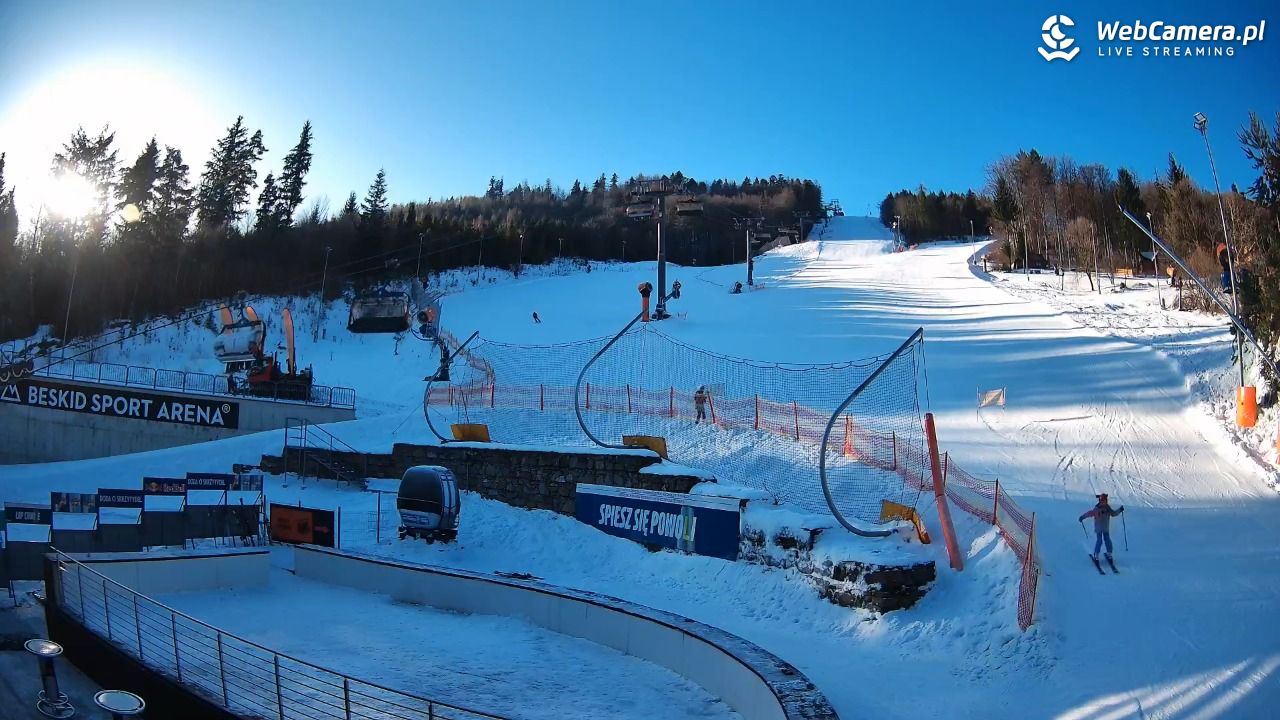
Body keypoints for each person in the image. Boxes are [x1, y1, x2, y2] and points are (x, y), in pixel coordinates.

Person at [1079, 493, 1124, 562]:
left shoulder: (1107, 508)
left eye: (1104, 501)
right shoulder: (1096, 509)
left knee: (1108, 540)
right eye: (1102, 501)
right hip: (1099, 528)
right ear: (1099, 501)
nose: (1103, 503)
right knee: (1099, 541)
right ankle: (1096, 555)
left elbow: (1113, 513)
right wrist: (1082, 517)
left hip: (1106, 528)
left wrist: (1120, 510)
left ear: (1106, 501)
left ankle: (1109, 553)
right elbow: (1089, 513)